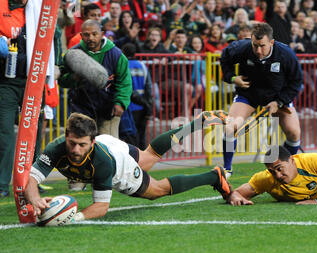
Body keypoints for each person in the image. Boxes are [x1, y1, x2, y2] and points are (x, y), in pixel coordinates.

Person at [25, 111, 231, 221]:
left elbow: (101, 207)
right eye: (72, 143)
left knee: (156, 189)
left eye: (82, 145)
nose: (76, 150)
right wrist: (35, 199)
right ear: (66, 137)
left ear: (92, 142)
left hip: (117, 162)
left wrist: (73, 216)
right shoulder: (55, 148)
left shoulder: (102, 162)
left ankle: (215, 176)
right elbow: (32, 178)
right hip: (109, 143)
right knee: (148, 156)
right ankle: (197, 123)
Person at [219, 22, 303, 178]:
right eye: (254, 45)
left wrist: (279, 102)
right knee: (230, 127)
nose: (258, 50)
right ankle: (227, 170)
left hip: (277, 97)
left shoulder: (286, 54)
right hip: (248, 95)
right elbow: (224, 57)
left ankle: (287, 166)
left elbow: (296, 82)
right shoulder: (242, 48)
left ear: (271, 42)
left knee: (294, 133)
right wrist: (231, 77)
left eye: (262, 46)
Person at [0, 0, 53, 198]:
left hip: (33, 81)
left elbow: (53, 37)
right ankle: (2, 184)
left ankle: (32, 181)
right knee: (5, 132)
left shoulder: (38, 10)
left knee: (34, 133)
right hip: (5, 82)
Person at [59, 19, 132, 139]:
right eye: (86, 35)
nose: (91, 38)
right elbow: (62, 79)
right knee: (80, 144)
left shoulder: (116, 55)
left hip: (109, 108)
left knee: (108, 146)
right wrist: (74, 78)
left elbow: (125, 82)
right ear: (81, 35)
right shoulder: (73, 54)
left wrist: (120, 103)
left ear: (102, 34)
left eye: (94, 34)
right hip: (81, 107)